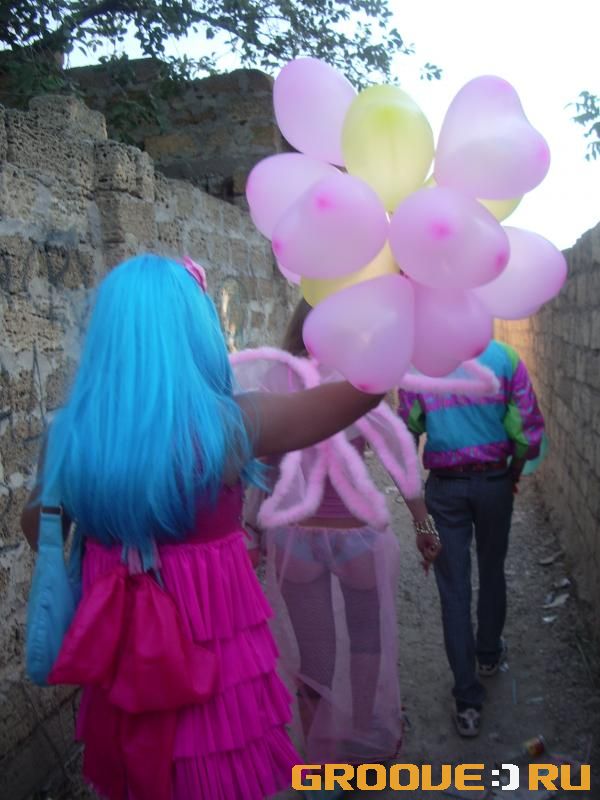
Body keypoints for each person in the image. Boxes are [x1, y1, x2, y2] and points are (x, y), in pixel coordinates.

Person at [20, 254, 390, 800]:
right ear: (195, 330)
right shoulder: (233, 425)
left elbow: (41, 535)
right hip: (214, 671)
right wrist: (396, 312)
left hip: (120, 661)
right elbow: (362, 393)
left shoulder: (67, 435)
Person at [241, 300, 441, 792]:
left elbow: (262, 466)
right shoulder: (360, 381)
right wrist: (423, 525)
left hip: (297, 538)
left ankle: (319, 762)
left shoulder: (276, 379)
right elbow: (398, 456)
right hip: (357, 537)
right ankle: (362, 750)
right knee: (368, 647)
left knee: (314, 663)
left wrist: (252, 531)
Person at [398, 339, 545, 738]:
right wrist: (514, 474)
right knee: (492, 568)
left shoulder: (417, 364)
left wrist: (419, 515)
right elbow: (528, 432)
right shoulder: (504, 358)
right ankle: (488, 654)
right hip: (495, 482)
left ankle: (467, 701)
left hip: (444, 490)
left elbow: (403, 435)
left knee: (454, 589)